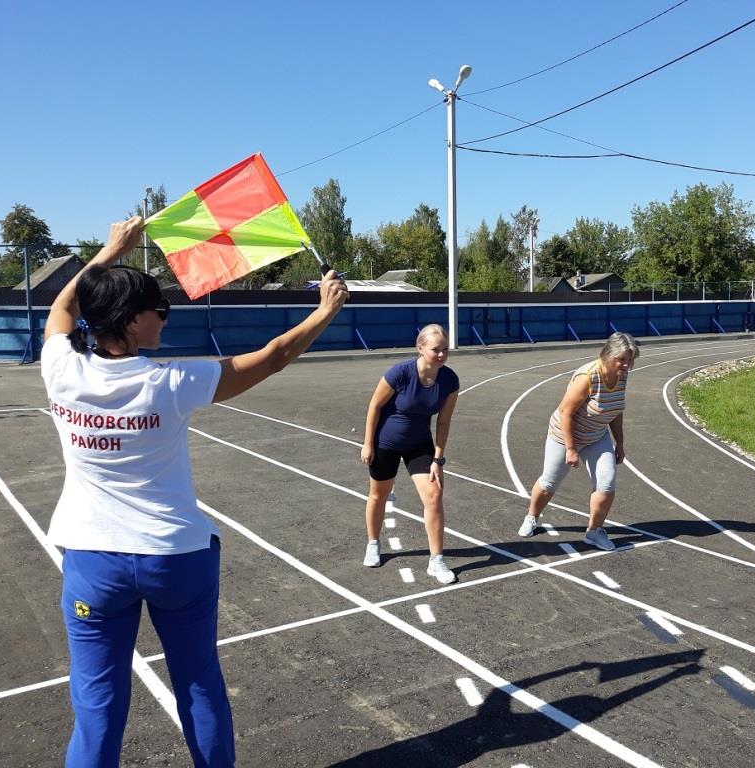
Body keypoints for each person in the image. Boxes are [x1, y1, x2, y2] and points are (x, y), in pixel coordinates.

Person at [40, 216, 348, 767]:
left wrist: (110, 253)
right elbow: (272, 357)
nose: (165, 316)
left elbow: (64, 310)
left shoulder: (61, 369)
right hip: (175, 557)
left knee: (97, 705)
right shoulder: (173, 382)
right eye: (159, 309)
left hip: (92, 561)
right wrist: (324, 312)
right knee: (199, 685)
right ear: (132, 323)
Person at [517, 332, 640, 551]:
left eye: (630, 360)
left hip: (596, 436)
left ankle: (594, 532)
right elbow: (566, 413)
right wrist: (571, 449)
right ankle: (532, 516)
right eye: (622, 360)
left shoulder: (622, 375)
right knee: (549, 483)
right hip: (564, 435)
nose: (626, 365)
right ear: (608, 354)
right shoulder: (588, 376)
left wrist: (619, 443)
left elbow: (615, 410)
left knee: (606, 483)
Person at [360, 324, 460, 584]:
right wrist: (368, 443)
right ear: (420, 348)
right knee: (378, 495)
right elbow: (374, 406)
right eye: (436, 349)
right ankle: (373, 542)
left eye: (445, 350)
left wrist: (438, 458)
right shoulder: (400, 373)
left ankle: (436, 560)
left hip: (419, 444)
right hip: (386, 443)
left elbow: (444, 422)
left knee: (434, 495)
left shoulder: (450, 380)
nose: (441, 355)